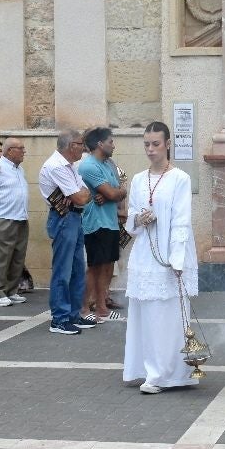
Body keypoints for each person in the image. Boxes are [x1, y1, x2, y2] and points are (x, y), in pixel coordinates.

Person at [123, 122, 198, 393]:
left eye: (155, 144)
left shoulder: (180, 178)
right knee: (146, 316)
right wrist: (139, 219)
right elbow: (130, 218)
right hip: (145, 253)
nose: (150, 149)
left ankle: (165, 374)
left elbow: (181, 220)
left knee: (168, 317)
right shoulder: (138, 179)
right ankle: (145, 370)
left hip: (169, 256)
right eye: (146, 144)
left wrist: (177, 260)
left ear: (167, 144)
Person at [39, 129, 96, 334]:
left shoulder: (69, 166)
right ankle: (59, 319)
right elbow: (81, 197)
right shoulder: (56, 166)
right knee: (63, 270)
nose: (83, 148)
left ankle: (73, 314)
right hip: (63, 217)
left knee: (77, 269)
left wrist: (79, 194)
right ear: (72, 146)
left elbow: (86, 193)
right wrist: (79, 194)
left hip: (74, 216)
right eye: (81, 144)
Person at [78, 127, 126, 323]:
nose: (113, 145)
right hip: (96, 223)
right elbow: (114, 192)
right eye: (110, 142)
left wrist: (113, 194)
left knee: (107, 267)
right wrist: (113, 194)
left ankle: (102, 309)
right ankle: (83, 309)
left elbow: (119, 189)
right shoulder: (89, 166)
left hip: (110, 221)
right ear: (100, 144)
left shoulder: (108, 164)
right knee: (95, 267)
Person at [0, 138, 30, 307]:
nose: (24, 151)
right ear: (10, 151)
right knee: (0, 258)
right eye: (21, 148)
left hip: (20, 217)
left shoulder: (20, 169)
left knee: (17, 258)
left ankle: (11, 291)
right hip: (3, 217)